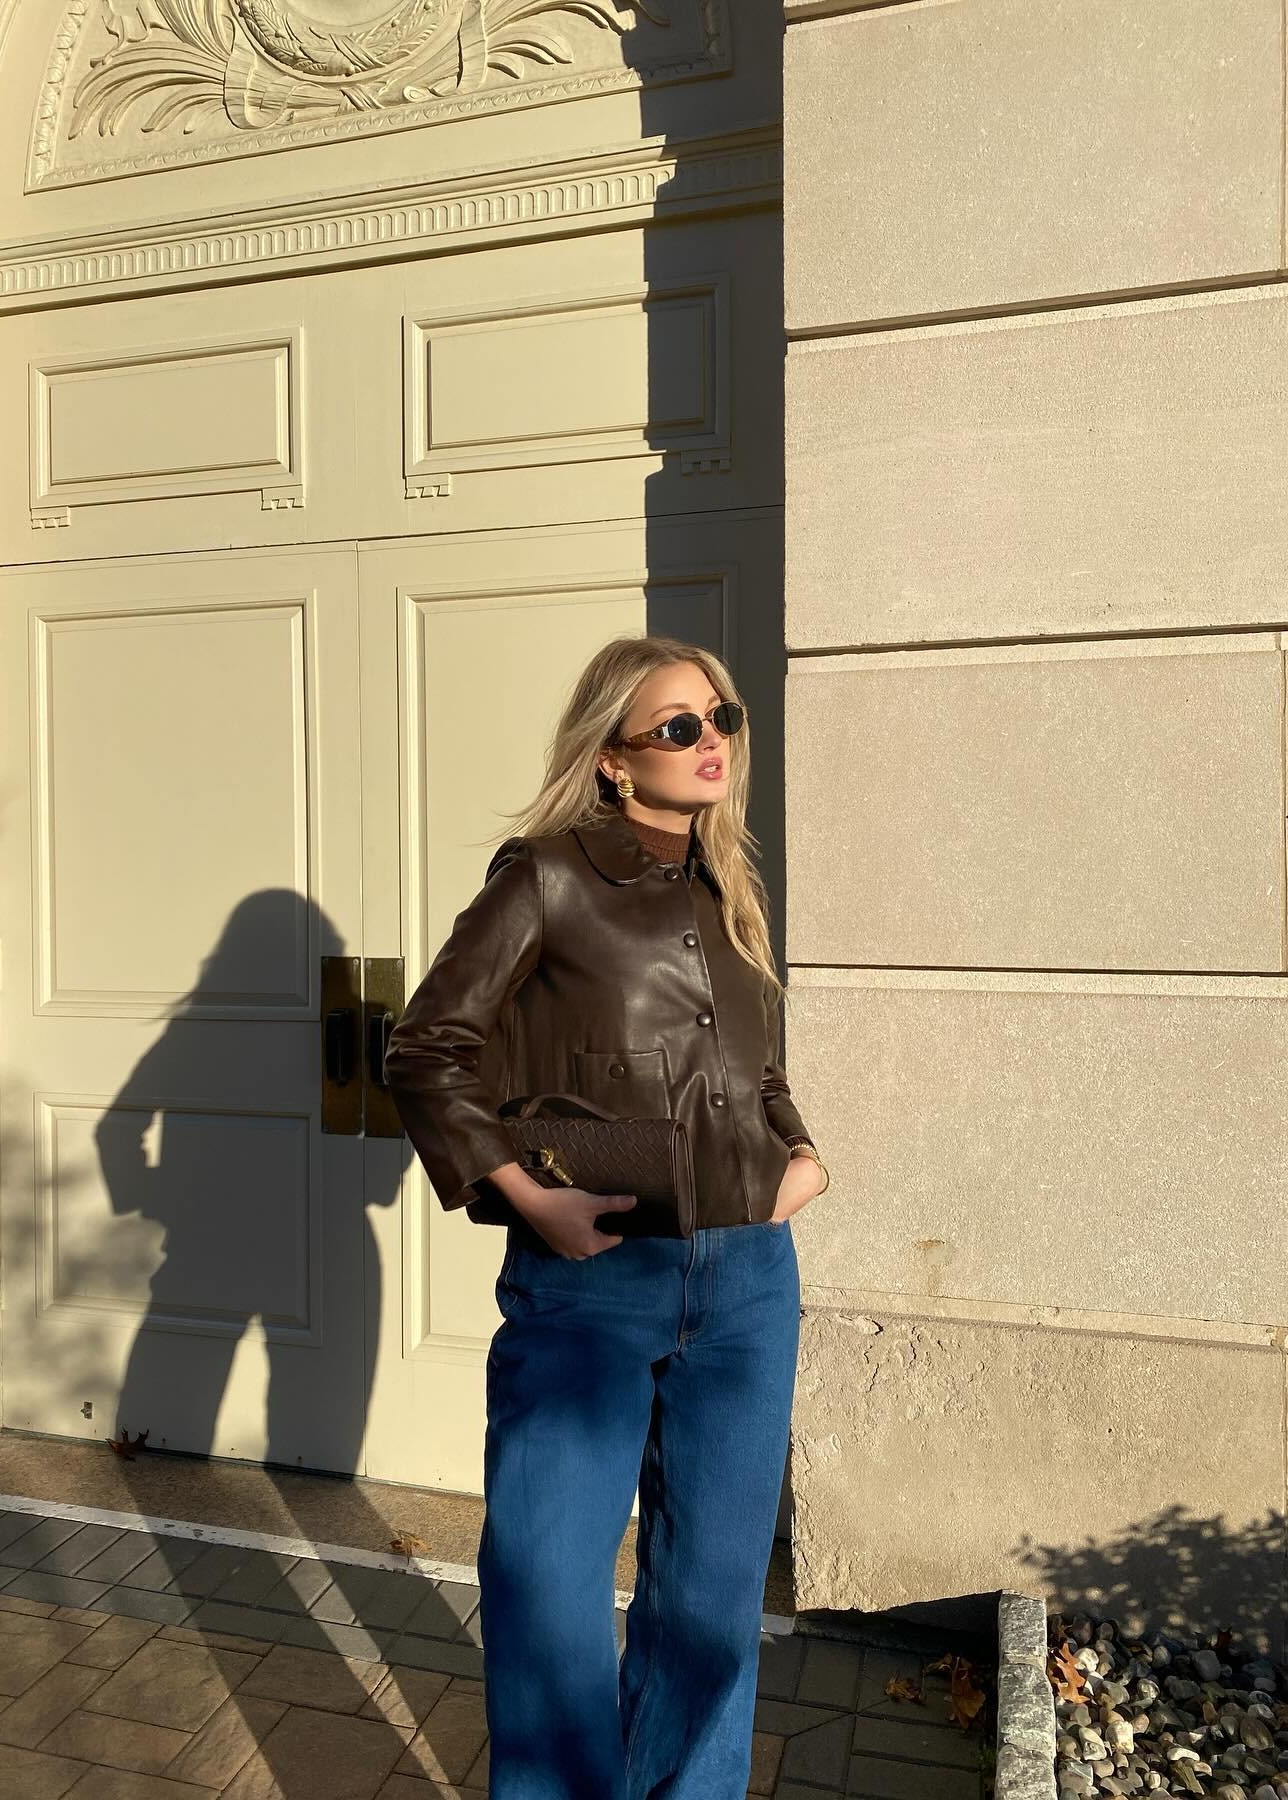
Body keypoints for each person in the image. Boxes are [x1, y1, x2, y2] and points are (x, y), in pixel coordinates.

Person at [381, 633, 830, 1800]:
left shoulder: (730, 885)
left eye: (721, 717)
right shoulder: (545, 876)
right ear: (616, 760)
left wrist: (803, 1154)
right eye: (677, 726)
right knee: (548, 1588)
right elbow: (428, 1051)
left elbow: (757, 1068)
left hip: (746, 1284)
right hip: (590, 1282)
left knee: (714, 1600)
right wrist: (529, 1196)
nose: (712, 740)